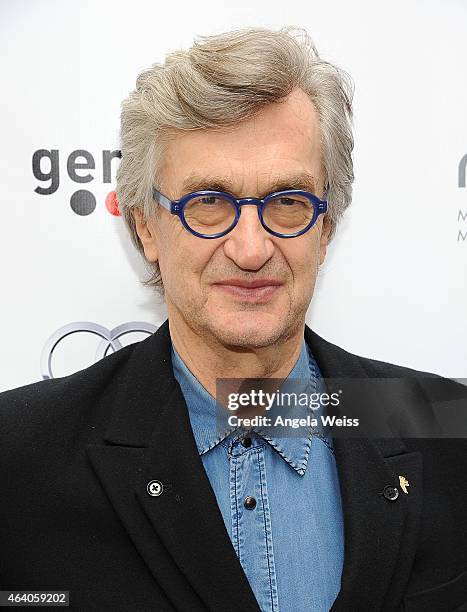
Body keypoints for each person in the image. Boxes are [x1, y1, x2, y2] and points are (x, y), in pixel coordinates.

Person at [1, 26, 466, 612]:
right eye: (209, 203)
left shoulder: (445, 427)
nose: (251, 249)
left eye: (288, 202)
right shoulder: (17, 461)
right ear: (147, 226)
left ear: (326, 226)